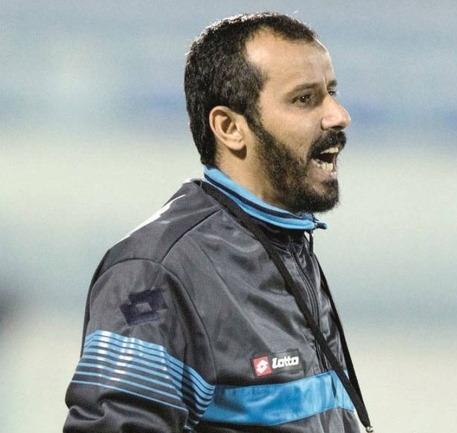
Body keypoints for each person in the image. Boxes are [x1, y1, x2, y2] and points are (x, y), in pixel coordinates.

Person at [63, 12, 372, 433]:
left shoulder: (287, 245)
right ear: (230, 128)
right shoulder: (156, 272)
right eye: (304, 99)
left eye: (331, 93)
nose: (339, 115)